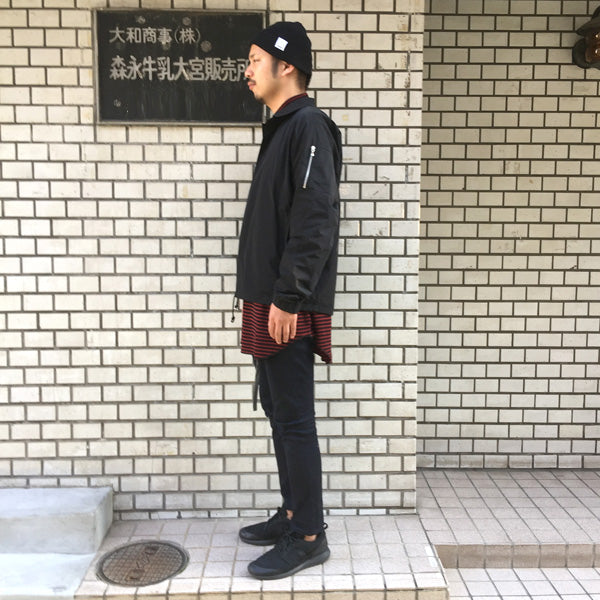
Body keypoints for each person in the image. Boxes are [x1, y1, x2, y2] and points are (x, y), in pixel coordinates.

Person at [234, 21, 342, 580]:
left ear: (287, 66)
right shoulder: (282, 128)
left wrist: (289, 298)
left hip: (286, 303)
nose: (247, 70)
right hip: (271, 298)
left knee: (295, 418)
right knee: (279, 413)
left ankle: (308, 537)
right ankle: (294, 512)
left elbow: (315, 218)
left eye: (255, 60)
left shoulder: (308, 126)